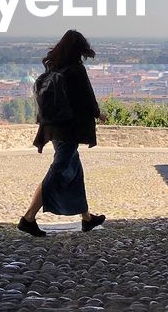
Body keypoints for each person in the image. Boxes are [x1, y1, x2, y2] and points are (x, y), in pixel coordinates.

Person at [18, 29, 106, 237]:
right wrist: (98, 114)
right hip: (69, 127)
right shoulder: (76, 69)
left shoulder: (54, 67)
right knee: (57, 170)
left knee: (74, 171)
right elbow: (87, 96)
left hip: (54, 126)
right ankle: (28, 218)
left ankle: (87, 218)